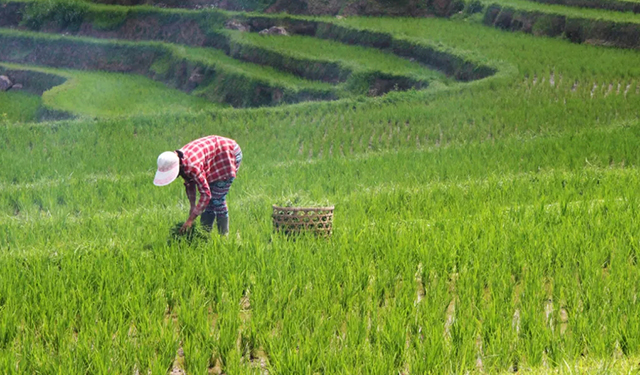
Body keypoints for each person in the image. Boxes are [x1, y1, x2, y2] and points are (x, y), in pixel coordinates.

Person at [154, 135, 242, 235]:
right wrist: (192, 206)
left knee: (217, 199)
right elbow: (189, 182)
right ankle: (205, 234)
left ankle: (224, 237)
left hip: (228, 154)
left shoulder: (192, 165)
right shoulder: (180, 161)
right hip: (214, 157)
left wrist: (190, 220)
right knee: (208, 202)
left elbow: (206, 194)